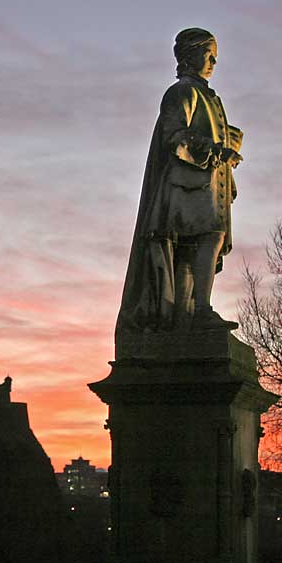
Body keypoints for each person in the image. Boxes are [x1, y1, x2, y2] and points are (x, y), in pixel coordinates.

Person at [117, 27, 242, 333]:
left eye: (214, 55)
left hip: (205, 185)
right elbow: (174, 135)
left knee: (197, 246)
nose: (212, 60)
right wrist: (213, 149)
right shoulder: (182, 92)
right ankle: (200, 310)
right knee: (207, 237)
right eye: (207, 53)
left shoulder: (208, 96)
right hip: (186, 186)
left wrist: (228, 142)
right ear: (190, 55)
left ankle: (190, 312)